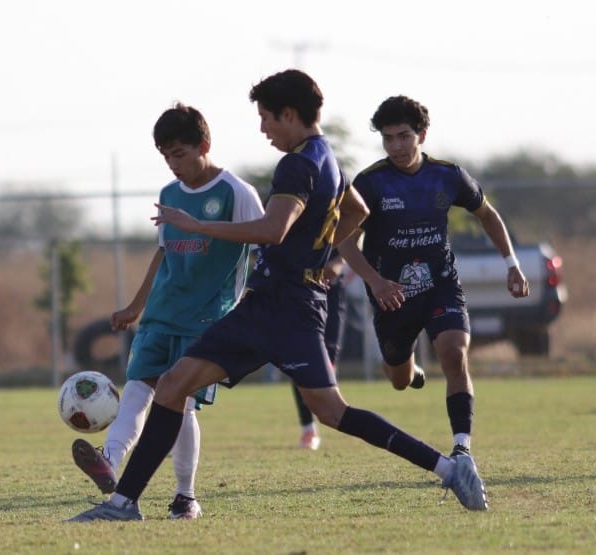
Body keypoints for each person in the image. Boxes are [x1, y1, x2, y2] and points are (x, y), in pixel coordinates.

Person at [67, 69, 488, 523]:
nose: (263, 128)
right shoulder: (327, 158)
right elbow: (357, 210)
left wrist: (198, 225)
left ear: (289, 114)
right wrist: (317, 253)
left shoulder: (297, 164)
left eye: (266, 117)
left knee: (331, 411)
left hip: (287, 308)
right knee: (172, 385)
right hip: (271, 302)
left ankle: (449, 469)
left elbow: (272, 230)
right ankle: (123, 503)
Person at [70, 103, 264, 520]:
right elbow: (163, 254)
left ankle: (185, 496)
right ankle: (110, 461)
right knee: (136, 389)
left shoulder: (236, 193)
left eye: (179, 154)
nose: (173, 164)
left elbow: (266, 244)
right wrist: (135, 306)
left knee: (180, 403)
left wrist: (256, 303)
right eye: (165, 156)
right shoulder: (169, 194)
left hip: (206, 320)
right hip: (161, 314)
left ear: (204, 146)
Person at [337, 95, 529, 459]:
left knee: (454, 354)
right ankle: (410, 370)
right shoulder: (371, 183)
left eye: (404, 136)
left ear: (422, 135)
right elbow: (343, 239)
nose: (396, 146)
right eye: (388, 138)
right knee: (399, 380)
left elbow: (487, 215)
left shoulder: (448, 175)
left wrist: (512, 263)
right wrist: (376, 281)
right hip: (392, 295)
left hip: (441, 284)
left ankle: (462, 448)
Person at [293, 250, 348, 450]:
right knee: (299, 359)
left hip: (331, 289)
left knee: (329, 358)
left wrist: (339, 261)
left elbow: (355, 237)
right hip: (300, 288)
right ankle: (308, 428)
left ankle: (336, 412)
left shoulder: (339, 224)